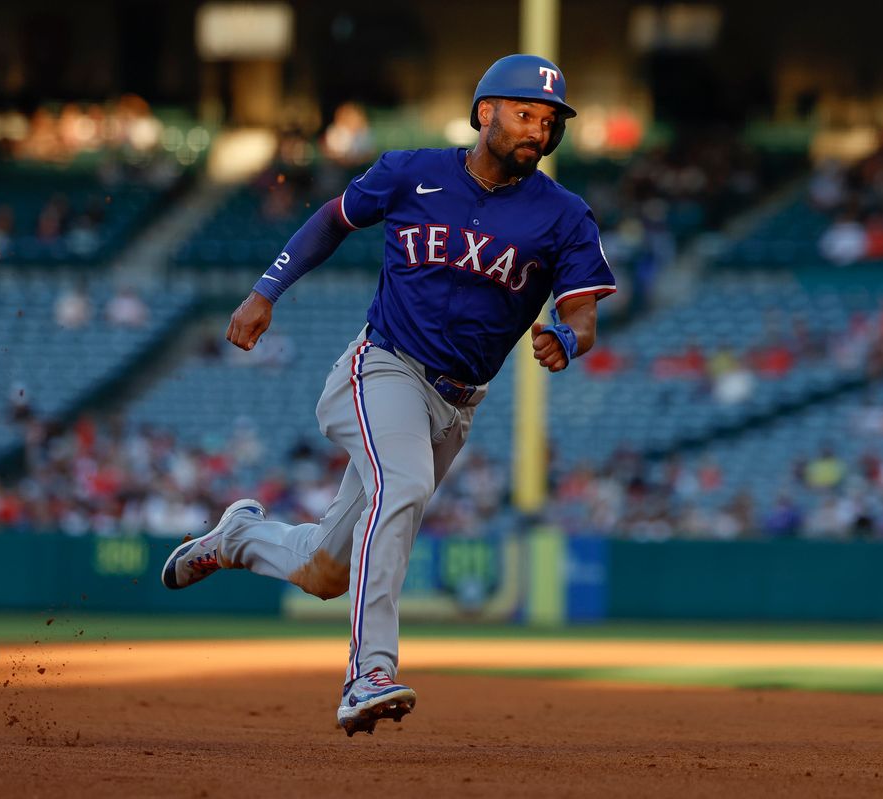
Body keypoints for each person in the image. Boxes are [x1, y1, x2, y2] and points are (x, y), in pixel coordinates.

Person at [160, 54, 614, 736]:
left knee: (324, 571)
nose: (537, 130)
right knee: (401, 487)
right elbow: (332, 219)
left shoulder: (564, 214)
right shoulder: (412, 172)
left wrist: (570, 338)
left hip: (459, 404)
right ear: (484, 112)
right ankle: (369, 669)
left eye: (549, 121)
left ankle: (238, 539)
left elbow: (583, 311)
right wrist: (265, 291)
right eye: (524, 113)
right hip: (382, 368)